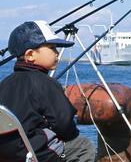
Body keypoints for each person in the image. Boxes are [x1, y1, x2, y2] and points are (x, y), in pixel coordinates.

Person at [0, 20, 96, 162]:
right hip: (36, 153)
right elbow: (64, 123)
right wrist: (70, 134)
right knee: (83, 146)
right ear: (31, 55)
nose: (57, 53)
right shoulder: (46, 83)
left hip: (7, 152)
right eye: (51, 48)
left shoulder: (5, 83)